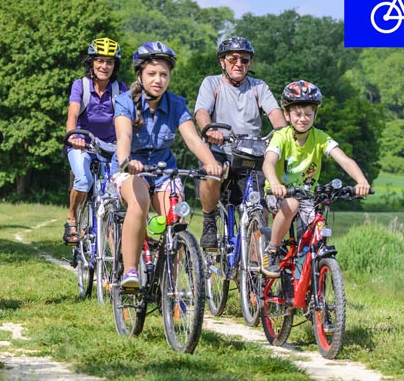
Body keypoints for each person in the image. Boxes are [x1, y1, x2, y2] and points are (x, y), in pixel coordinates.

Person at [111, 41, 222, 288]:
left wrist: (211, 163)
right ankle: (130, 272)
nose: (158, 80)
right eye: (152, 74)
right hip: (131, 169)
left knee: (176, 219)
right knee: (139, 203)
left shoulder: (176, 104)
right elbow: (124, 137)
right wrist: (127, 161)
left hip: (163, 171)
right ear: (139, 75)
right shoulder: (125, 101)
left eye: (164, 74)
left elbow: (192, 139)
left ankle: (169, 286)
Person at [260, 80, 371, 277]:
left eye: (308, 114)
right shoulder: (281, 136)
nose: (303, 118)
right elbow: (268, 162)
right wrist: (275, 184)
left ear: (315, 115)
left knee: (318, 227)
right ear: (287, 114)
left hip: (306, 197)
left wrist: (361, 182)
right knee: (292, 205)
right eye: (297, 114)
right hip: (278, 193)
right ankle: (273, 249)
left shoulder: (320, 137)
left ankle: (309, 281)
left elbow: (344, 160)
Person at [194, 36, 287, 250]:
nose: (239, 64)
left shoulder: (258, 87)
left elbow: (275, 114)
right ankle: (209, 222)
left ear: (250, 64)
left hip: (251, 155)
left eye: (244, 60)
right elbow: (201, 113)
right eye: (233, 59)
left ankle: (253, 271)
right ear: (222, 62)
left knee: (259, 208)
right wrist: (210, 130)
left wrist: (283, 135)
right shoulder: (212, 83)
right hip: (219, 149)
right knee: (211, 174)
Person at [63, 37, 128, 245]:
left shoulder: (120, 88)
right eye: (100, 60)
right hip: (82, 143)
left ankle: (115, 253)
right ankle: (72, 218)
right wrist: (73, 135)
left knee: (114, 193)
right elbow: (72, 114)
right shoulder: (80, 85)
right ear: (91, 62)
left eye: (109, 62)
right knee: (84, 180)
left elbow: (128, 118)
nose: (104, 66)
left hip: (111, 148)